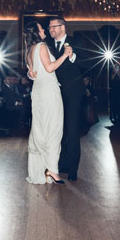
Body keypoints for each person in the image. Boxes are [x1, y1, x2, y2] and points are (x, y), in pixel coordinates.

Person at [25, 22, 72, 184]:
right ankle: (52, 170)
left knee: (40, 129)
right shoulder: (42, 46)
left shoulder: (29, 50)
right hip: (49, 92)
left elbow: (32, 72)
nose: (44, 30)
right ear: (37, 33)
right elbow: (50, 68)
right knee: (54, 128)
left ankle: (42, 169)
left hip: (38, 92)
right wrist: (65, 55)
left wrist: (30, 73)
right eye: (41, 28)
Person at [45, 16, 88, 181]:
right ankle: (61, 164)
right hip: (54, 94)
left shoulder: (77, 41)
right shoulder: (48, 46)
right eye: (49, 28)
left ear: (62, 27)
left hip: (74, 94)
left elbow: (88, 63)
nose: (50, 30)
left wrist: (73, 57)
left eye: (53, 27)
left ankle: (72, 169)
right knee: (58, 131)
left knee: (72, 130)